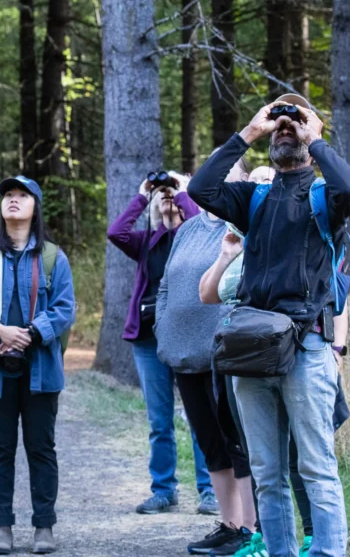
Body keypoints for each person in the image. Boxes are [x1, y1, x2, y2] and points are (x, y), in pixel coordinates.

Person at [188, 94, 350, 557]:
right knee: (267, 473)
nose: (286, 127)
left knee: (316, 467)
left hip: (306, 348)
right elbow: (201, 189)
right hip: (252, 350)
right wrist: (249, 132)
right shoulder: (255, 196)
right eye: (280, 122)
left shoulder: (324, 197)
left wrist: (316, 138)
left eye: (295, 121)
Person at [153, 157, 257, 556]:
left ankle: (251, 529)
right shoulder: (188, 229)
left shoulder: (248, 225)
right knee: (210, 442)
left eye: (227, 170)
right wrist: (163, 329)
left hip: (226, 353)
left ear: (243, 181)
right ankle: (229, 526)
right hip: (183, 353)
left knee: (237, 442)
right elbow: (165, 284)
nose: (215, 177)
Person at [0, 176, 76, 555]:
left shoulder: (52, 257)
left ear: (36, 206)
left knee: (41, 448)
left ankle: (44, 527)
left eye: (22, 196)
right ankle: (2, 527)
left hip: (41, 369)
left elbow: (65, 310)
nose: (13, 201)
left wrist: (29, 333)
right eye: (8, 196)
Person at [106, 173, 219, 516]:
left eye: (172, 198)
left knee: (202, 416)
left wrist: (183, 193)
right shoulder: (145, 242)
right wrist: (143, 196)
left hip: (189, 335)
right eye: (163, 198)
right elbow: (116, 233)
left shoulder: (197, 238)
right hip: (148, 338)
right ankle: (163, 489)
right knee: (160, 421)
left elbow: (199, 220)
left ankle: (210, 489)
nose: (167, 200)